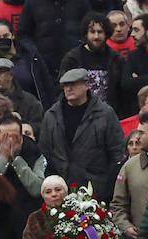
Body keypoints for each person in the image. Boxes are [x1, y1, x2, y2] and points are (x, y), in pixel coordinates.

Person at [39, 69, 125, 203]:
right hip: (61, 193)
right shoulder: (51, 115)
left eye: (73, 84)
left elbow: (117, 153)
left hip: (97, 192)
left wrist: (106, 190)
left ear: (87, 84)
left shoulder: (105, 114)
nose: (68, 89)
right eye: (65, 85)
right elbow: (45, 153)